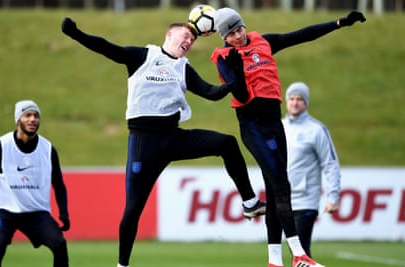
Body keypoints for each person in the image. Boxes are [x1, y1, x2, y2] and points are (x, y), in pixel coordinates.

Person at [61, 18, 266, 267]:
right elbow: (106, 47)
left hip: (173, 137)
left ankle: (250, 202)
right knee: (133, 208)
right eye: (185, 37)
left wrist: (233, 79)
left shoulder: (183, 67)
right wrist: (75, 33)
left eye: (192, 40)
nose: (189, 41)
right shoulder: (142, 56)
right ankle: (122, 264)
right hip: (143, 143)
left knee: (227, 143)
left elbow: (211, 93)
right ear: (169, 36)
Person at [209, 7, 365, 267]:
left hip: (274, 124)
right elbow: (243, 97)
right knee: (282, 185)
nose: (238, 35)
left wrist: (339, 23)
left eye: (239, 28)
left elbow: (302, 35)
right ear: (224, 38)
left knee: (274, 189)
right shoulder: (225, 57)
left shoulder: (264, 42)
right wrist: (237, 76)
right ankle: (299, 254)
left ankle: (274, 261)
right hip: (253, 126)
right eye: (231, 34)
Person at [0, 100, 70, 267]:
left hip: (36, 213)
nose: (32, 119)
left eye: (36, 116)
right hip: (5, 212)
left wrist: (64, 211)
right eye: (27, 115)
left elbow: (58, 183)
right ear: (18, 119)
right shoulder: (1, 146)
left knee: (59, 244)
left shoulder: (48, 149)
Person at [282, 82, 341, 257]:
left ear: (306, 102)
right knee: (295, 253)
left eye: (299, 99)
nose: (294, 102)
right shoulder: (280, 127)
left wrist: (333, 197)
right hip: (283, 200)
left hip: (305, 200)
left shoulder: (316, 130)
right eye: (291, 98)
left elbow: (330, 164)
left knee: (300, 252)